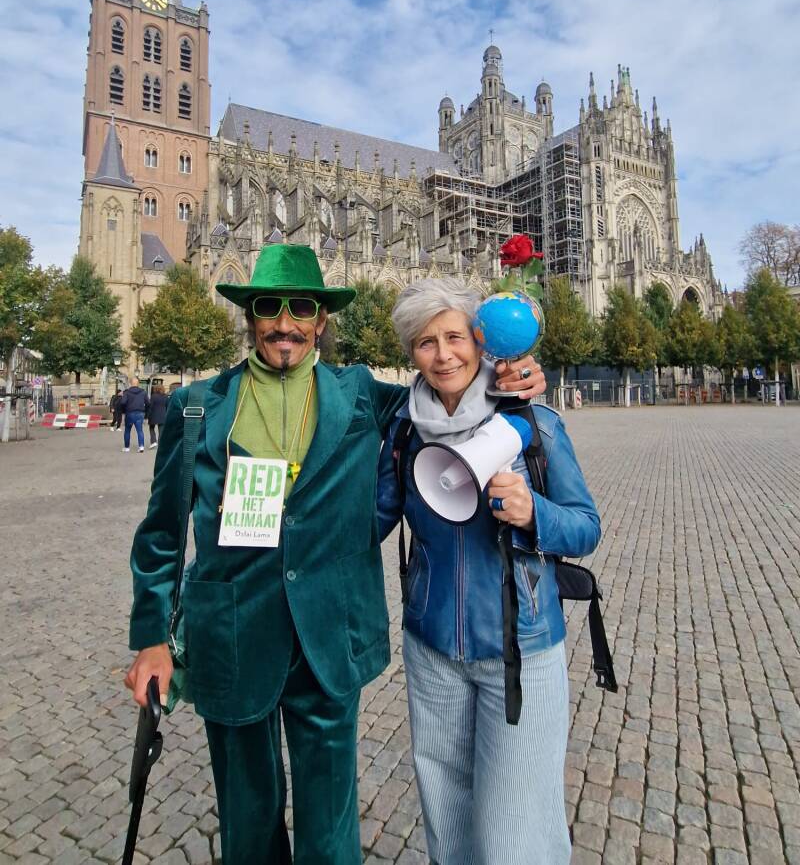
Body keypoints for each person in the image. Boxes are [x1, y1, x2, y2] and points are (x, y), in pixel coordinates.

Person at [124, 244, 545, 865]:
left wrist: (509, 376)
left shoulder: (362, 395)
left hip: (329, 636)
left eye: (301, 308)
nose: (285, 323)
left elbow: (444, 395)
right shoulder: (197, 406)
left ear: (321, 319)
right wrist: (152, 640)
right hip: (232, 636)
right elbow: (161, 535)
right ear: (250, 316)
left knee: (330, 826)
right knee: (246, 821)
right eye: (269, 307)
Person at [376, 277, 600, 865]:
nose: (443, 355)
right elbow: (374, 518)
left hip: (519, 648)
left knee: (514, 835)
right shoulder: (404, 429)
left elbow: (585, 526)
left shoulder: (532, 420)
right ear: (412, 353)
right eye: (426, 342)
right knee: (447, 820)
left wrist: (533, 513)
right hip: (431, 650)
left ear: (479, 341)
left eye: (454, 337)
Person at [120, 377, 149, 453]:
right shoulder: (143, 392)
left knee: (127, 430)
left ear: (130, 383)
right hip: (140, 413)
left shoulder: (127, 392)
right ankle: (141, 446)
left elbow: (123, 402)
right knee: (140, 430)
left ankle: (127, 447)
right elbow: (148, 403)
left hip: (129, 412)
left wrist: (124, 411)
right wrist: (146, 412)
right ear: (138, 383)